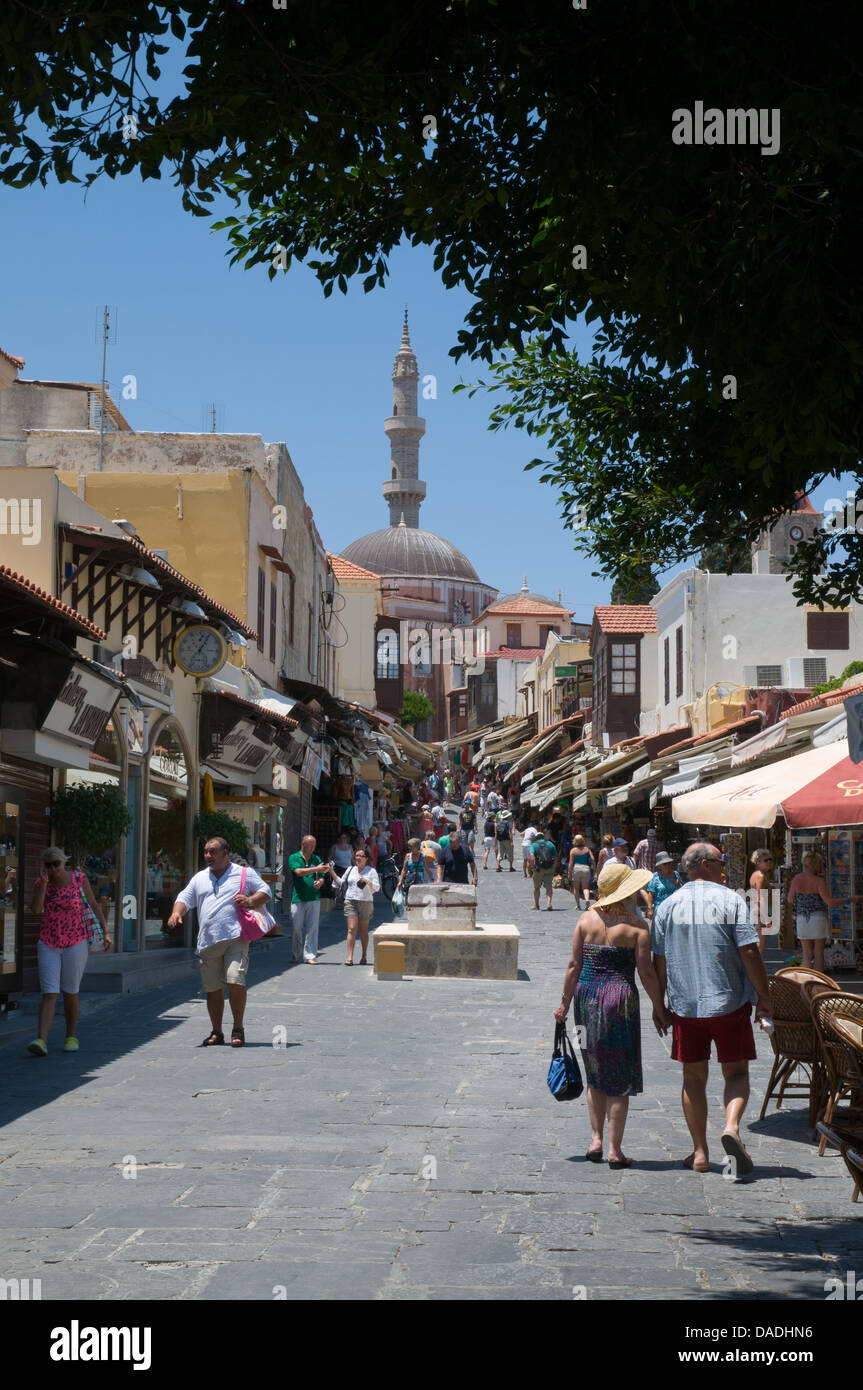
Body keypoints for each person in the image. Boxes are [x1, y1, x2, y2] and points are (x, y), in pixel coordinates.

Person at [651, 841, 773, 1175]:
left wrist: (658, 1003)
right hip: (727, 1003)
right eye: (721, 862)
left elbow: (658, 961)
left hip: (685, 1006)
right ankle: (731, 1127)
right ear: (705, 864)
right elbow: (749, 952)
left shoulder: (668, 906)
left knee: (693, 1078)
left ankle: (700, 1153)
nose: (725, 868)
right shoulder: (730, 899)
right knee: (735, 1073)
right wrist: (763, 996)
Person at [555, 862, 671, 1167]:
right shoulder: (637, 927)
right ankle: (614, 1150)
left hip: (586, 999)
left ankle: (595, 1140)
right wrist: (660, 1009)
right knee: (621, 1075)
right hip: (621, 1001)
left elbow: (573, 967)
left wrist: (564, 1004)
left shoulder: (585, 920)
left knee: (594, 1069)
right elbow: (646, 973)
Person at [169, 837, 271, 1047]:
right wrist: (176, 913)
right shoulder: (200, 878)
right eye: (206, 852)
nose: (208, 856)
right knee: (213, 989)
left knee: (235, 979)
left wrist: (251, 900)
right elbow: (185, 898)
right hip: (208, 941)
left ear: (225, 853)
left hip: (236, 937)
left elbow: (266, 892)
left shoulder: (243, 873)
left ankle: (238, 1028)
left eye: (213, 852)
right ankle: (217, 1032)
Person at [27, 847, 110, 1056]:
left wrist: (106, 932)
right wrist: (44, 884)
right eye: (48, 864)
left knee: (70, 991)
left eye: (56, 863)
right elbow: (36, 910)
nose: (53, 868)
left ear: (64, 863)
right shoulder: (41, 884)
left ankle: (71, 1035)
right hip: (49, 942)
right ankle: (41, 1040)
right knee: (49, 993)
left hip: (75, 941)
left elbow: (93, 905)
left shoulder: (78, 879)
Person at [787, 850, 859, 973]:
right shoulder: (819, 881)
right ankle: (817, 983)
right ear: (815, 864)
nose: (822, 866)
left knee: (807, 953)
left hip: (802, 919)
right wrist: (849, 899)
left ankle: (803, 983)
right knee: (818, 952)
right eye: (820, 863)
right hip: (818, 918)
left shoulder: (796, 879)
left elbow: (789, 899)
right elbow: (829, 902)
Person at [329, 847, 379, 966]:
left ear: (366, 859)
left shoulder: (371, 871)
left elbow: (377, 888)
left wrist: (367, 882)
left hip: (365, 902)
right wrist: (331, 871)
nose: (358, 858)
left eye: (361, 856)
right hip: (350, 900)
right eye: (356, 856)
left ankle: (364, 955)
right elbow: (341, 883)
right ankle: (350, 957)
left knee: (363, 930)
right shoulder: (350, 869)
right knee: (351, 928)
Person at [288, 834, 326, 963]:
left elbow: (321, 876)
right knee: (296, 928)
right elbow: (298, 872)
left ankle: (309, 955)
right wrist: (316, 868)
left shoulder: (316, 858)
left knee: (312, 928)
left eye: (314, 845)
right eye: (310, 845)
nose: (313, 847)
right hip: (298, 897)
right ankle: (296, 953)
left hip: (314, 897)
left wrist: (320, 881)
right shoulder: (294, 857)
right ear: (303, 844)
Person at [748, 849, 775, 955]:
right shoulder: (760, 876)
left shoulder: (755, 875)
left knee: (758, 945)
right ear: (758, 862)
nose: (769, 862)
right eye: (766, 860)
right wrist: (767, 919)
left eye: (770, 859)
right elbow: (760, 898)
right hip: (760, 914)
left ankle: (752, 969)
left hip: (756, 913)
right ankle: (753, 970)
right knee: (760, 946)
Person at [642, 852, 680, 921]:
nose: (668, 865)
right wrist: (650, 909)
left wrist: (678, 884)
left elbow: (681, 891)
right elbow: (650, 894)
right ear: (659, 866)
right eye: (665, 864)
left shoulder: (675, 874)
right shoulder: (655, 876)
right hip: (660, 908)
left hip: (674, 908)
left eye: (669, 863)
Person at [530, 827, 558, 911]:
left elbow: (531, 857)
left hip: (538, 868)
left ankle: (536, 905)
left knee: (536, 887)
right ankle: (549, 903)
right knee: (549, 887)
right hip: (549, 867)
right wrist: (554, 867)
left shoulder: (534, 845)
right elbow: (556, 857)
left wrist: (532, 867)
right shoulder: (550, 844)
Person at [567, 834, 596, 909]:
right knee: (585, 888)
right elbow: (593, 859)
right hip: (586, 868)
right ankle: (587, 899)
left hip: (576, 868)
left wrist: (569, 873)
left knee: (576, 888)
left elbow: (571, 863)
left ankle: (578, 905)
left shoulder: (573, 850)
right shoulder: (587, 849)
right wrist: (594, 869)